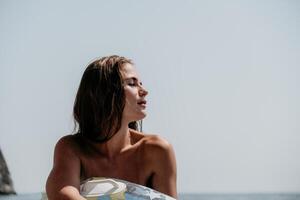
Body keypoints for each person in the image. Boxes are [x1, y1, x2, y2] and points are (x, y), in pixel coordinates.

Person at [46, 55, 177, 199]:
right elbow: (61, 195)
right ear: (105, 93)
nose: (144, 91)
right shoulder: (72, 148)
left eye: (140, 83)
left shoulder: (156, 150)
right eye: (132, 84)